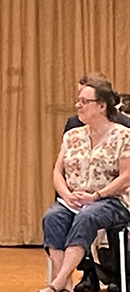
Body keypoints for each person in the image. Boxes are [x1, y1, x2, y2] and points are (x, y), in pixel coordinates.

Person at [37, 79, 130, 292]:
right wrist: (66, 195)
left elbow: (126, 176)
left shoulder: (123, 135)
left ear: (101, 106)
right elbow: (57, 172)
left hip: (111, 200)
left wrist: (96, 196)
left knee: (87, 217)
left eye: (84, 101)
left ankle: (58, 283)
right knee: (53, 217)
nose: (78, 105)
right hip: (74, 199)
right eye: (77, 101)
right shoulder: (72, 135)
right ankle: (65, 284)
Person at [63, 73, 130, 133]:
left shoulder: (125, 127)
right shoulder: (72, 125)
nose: (78, 105)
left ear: (101, 105)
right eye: (79, 93)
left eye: (85, 100)